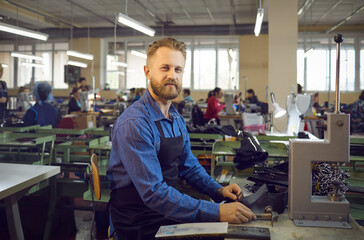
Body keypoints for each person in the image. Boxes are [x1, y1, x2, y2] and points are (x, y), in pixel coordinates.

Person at [107, 38, 255, 240]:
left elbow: (188, 165)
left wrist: (218, 191)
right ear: (147, 71)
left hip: (167, 211)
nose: (172, 76)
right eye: (165, 68)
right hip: (139, 222)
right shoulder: (134, 123)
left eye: (178, 69)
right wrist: (217, 212)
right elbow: (154, 193)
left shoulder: (175, 117)